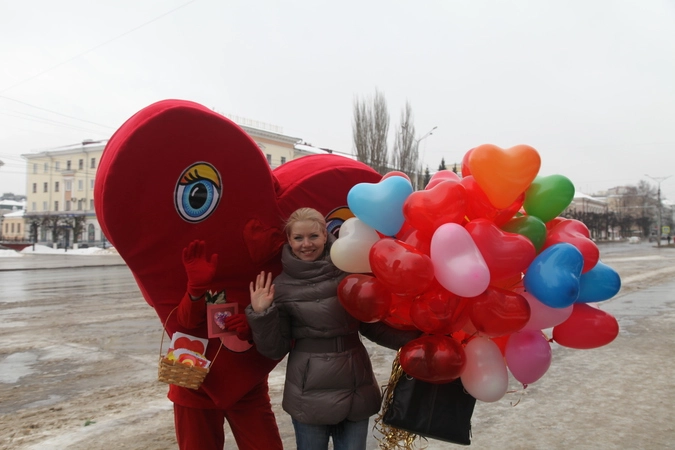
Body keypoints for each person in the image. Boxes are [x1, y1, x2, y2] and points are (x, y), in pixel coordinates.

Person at [246, 207, 420, 450]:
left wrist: (417, 338)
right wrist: (262, 314)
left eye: (313, 236)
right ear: (289, 240)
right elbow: (274, 349)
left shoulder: (348, 271)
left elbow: (372, 326)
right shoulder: (281, 287)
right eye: (298, 238)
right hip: (308, 394)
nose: (306, 244)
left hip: (355, 386)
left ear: (325, 235)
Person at [174, 239, 283, 450]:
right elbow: (181, 321)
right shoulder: (182, 254)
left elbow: (284, 321)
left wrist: (254, 325)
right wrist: (195, 290)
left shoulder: (259, 258)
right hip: (190, 377)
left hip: (245, 378)